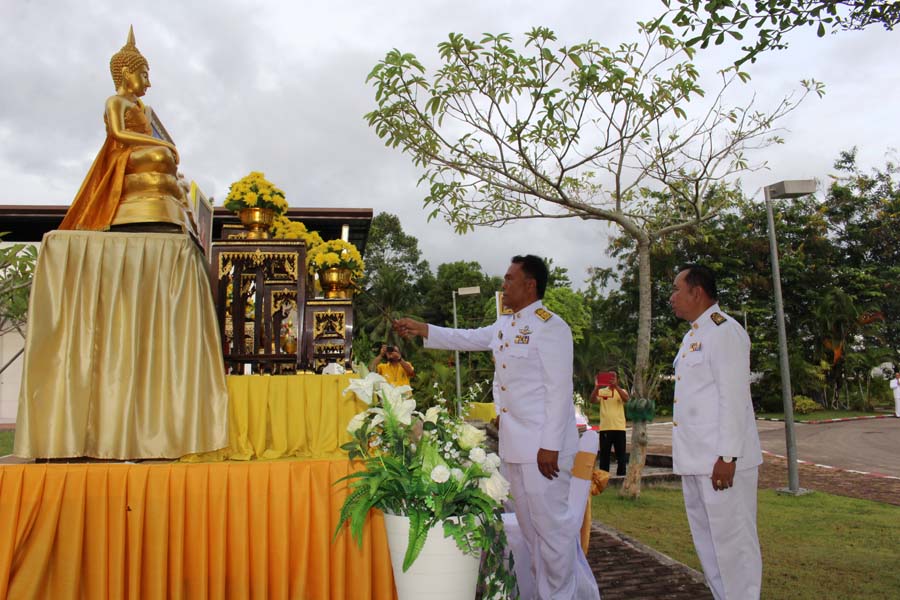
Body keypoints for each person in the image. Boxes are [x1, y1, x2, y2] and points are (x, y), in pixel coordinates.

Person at [394, 255, 598, 600]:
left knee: (553, 534)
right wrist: (424, 329)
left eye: (509, 279)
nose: (503, 286)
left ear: (530, 284)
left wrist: (548, 446)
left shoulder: (551, 327)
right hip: (516, 448)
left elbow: (558, 390)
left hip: (543, 451)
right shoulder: (506, 324)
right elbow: (469, 337)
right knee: (533, 536)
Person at [669, 264, 763, 600]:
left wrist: (727, 456)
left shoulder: (725, 332)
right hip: (697, 460)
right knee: (709, 547)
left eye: (677, 289)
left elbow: (733, 398)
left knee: (734, 547)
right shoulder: (694, 334)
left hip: (721, 462)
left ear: (697, 292)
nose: (672, 297)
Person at [59, 26, 195, 234]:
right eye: (144, 75)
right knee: (161, 156)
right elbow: (118, 134)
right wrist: (163, 143)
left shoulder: (140, 107)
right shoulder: (115, 102)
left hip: (139, 155)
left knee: (173, 174)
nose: (148, 83)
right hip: (122, 155)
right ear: (125, 73)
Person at [590, 370, 629, 476]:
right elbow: (592, 400)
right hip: (605, 428)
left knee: (621, 455)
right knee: (604, 455)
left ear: (617, 379)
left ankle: (621, 476)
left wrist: (616, 387)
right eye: (609, 377)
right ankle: (603, 477)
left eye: (614, 377)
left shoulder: (622, 391)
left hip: (619, 428)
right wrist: (597, 387)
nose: (612, 379)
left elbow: (626, 399)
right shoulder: (602, 391)